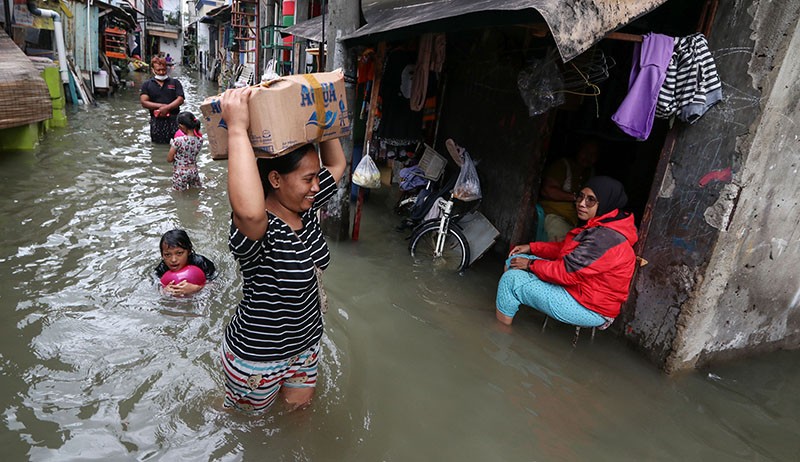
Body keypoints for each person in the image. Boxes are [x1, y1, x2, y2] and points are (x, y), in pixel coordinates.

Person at [219, 86, 347, 414]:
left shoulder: (306, 205)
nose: (317, 186)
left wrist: (322, 107)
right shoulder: (258, 229)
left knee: (297, 415)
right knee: (248, 426)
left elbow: (337, 164)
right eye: (308, 178)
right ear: (275, 179)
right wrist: (237, 128)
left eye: (316, 178)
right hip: (256, 360)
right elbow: (249, 212)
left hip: (305, 348)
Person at [496, 176, 637, 329]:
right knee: (514, 260)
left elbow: (565, 272)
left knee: (510, 280)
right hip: (579, 289)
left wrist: (530, 264)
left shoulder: (605, 238)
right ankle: (515, 307)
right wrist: (532, 247)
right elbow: (566, 249)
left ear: (605, 203)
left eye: (590, 200)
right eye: (580, 197)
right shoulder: (602, 225)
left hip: (591, 308)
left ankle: (500, 331)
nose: (581, 204)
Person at [538, 137, 598, 241]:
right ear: (578, 150)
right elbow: (547, 190)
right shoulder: (563, 165)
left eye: (593, 154)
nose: (588, 157)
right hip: (554, 215)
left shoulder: (590, 173)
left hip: (575, 221)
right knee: (562, 244)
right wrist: (576, 197)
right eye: (586, 151)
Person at [155, 229, 216, 297]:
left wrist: (198, 288)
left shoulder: (201, 263)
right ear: (162, 255)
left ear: (189, 251)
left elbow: (216, 285)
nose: (173, 260)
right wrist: (164, 291)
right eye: (167, 255)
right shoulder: (162, 268)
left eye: (179, 253)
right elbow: (157, 286)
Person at [140, 56, 184, 144]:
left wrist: (167, 108)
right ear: (153, 70)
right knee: (158, 145)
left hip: (174, 119)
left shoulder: (175, 82)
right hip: (157, 121)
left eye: (163, 70)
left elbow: (180, 99)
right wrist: (161, 106)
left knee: (178, 144)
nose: (161, 72)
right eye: (158, 70)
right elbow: (144, 102)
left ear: (166, 69)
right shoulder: (147, 85)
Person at [167, 111, 203, 191]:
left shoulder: (178, 140)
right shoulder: (200, 140)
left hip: (180, 172)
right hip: (194, 171)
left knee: (178, 195)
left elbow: (169, 159)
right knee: (195, 192)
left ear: (181, 126)